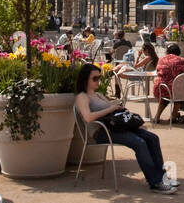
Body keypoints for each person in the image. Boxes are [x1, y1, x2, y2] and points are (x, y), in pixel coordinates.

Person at [74, 63, 177, 194]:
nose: (98, 81)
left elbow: (109, 109)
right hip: (101, 132)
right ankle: (155, 182)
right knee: (139, 143)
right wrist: (110, 108)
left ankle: (162, 178)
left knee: (152, 138)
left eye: (99, 78)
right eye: (94, 78)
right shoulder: (82, 97)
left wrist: (117, 106)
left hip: (114, 127)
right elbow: (88, 118)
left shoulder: (98, 94)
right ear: (85, 79)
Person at [153, 43, 184, 124]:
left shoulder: (161, 59)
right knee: (178, 92)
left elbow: (158, 71)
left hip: (160, 88)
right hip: (177, 89)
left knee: (166, 95)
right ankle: (174, 116)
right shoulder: (183, 61)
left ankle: (157, 116)